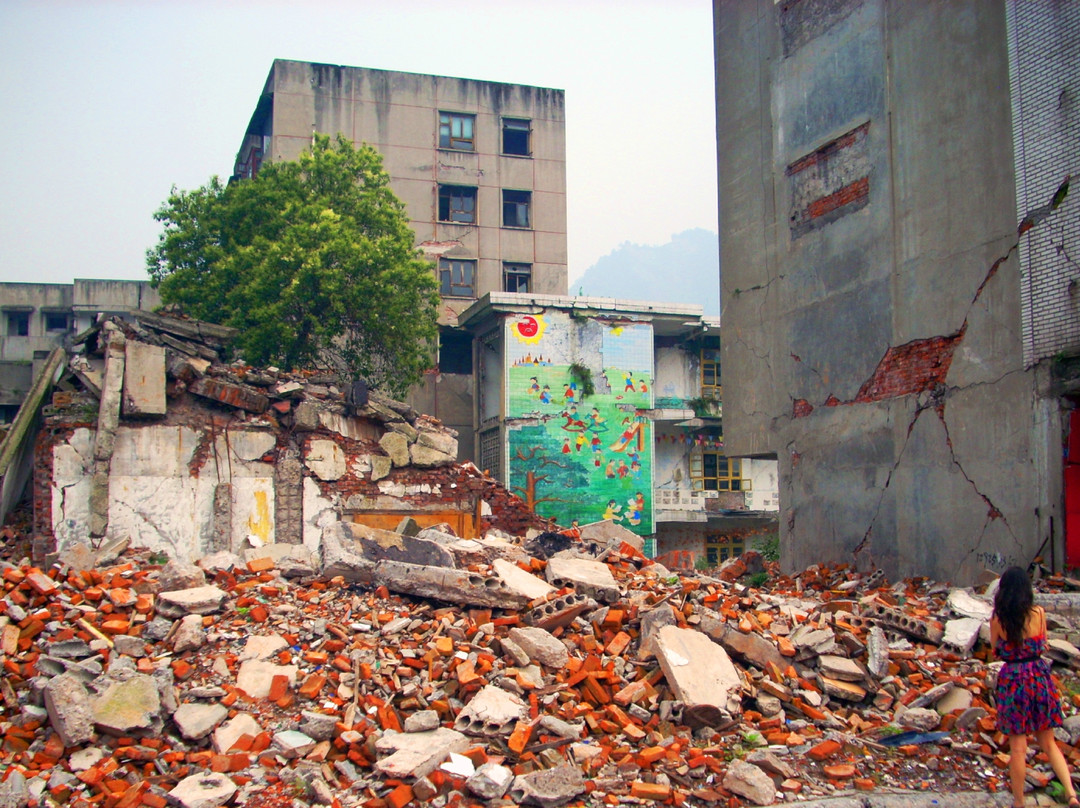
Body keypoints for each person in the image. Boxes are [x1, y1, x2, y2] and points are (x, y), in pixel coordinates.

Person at [991, 566, 1078, 808]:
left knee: (1018, 748)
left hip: (1013, 680)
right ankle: (1071, 794)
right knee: (1049, 743)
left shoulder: (998, 619)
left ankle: (1019, 802)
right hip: (1039, 677)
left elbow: (995, 650)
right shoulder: (1039, 613)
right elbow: (1044, 644)